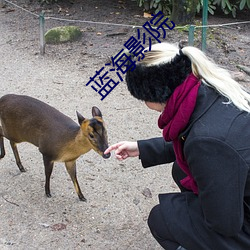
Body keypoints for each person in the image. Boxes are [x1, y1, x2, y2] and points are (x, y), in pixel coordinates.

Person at [104, 42, 250, 250]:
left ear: (154, 92)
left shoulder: (207, 142)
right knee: (181, 169)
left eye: (143, 98)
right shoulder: (209, 88)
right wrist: (142, 147)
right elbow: (195, 139)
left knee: (162, 218)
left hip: (241, 222)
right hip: (241, 186)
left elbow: (225, 224)